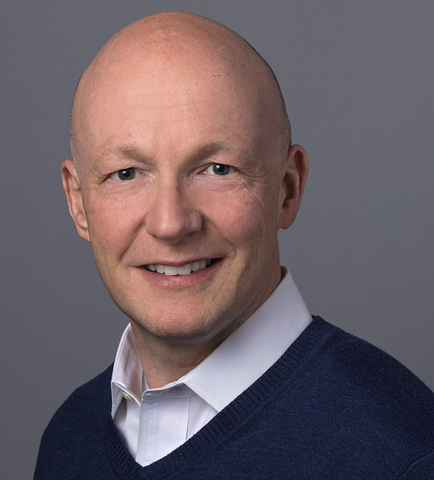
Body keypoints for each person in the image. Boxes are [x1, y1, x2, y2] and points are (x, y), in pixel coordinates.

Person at [35, 11, 434, 479]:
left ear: (287, 189)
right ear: (78, 203)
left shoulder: (402, 454)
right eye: (126, 174)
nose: (170, 223)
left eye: (217, 169)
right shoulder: (70, 436)